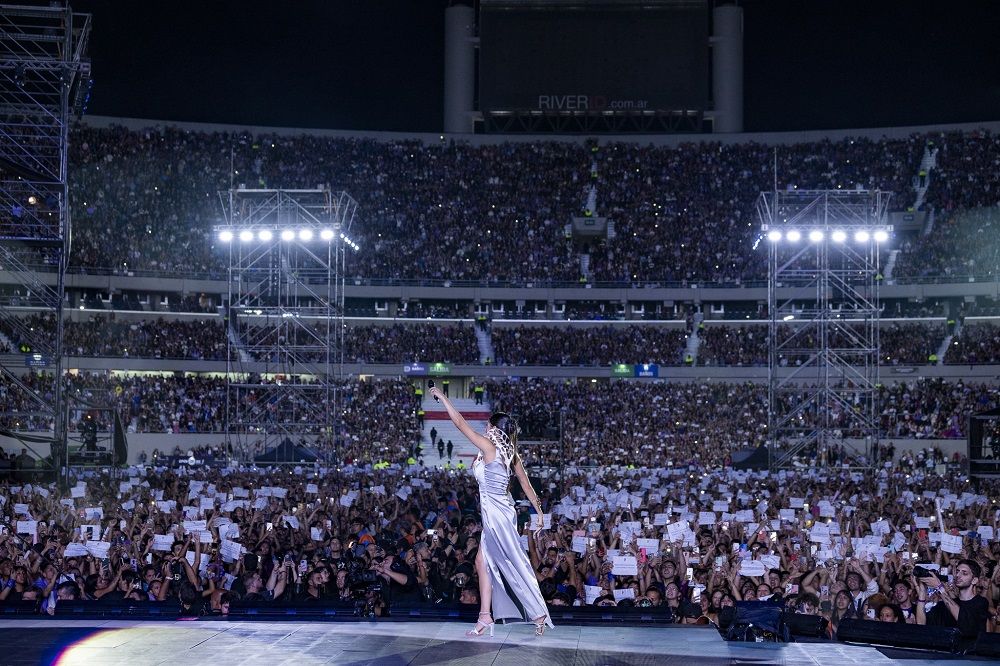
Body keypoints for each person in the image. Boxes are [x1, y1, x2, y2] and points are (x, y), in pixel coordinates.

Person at [430, 386, 553, 637]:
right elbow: (526, 485)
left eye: (488, 424)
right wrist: (539, 513)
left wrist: (443, 398)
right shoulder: (509, 452)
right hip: (498, 512)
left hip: (497, 516)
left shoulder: (489, 447)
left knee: (512, 562)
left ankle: (538, 613)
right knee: (481, 561)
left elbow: (460, 424)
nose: (485, 427)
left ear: (495, 428)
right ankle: (485, 616)